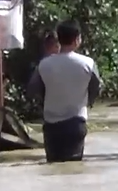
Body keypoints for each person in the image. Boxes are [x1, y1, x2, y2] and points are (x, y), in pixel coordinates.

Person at [28, 20, 102, 163]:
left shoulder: (44, 64)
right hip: (76, 123)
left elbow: (33, 89)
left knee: (53, 168)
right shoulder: (88, 64)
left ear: (59, 39)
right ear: (77, 40)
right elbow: (96, 88)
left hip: (51, 125)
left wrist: (45, 102)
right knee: (73, 169)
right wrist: (88, 102)